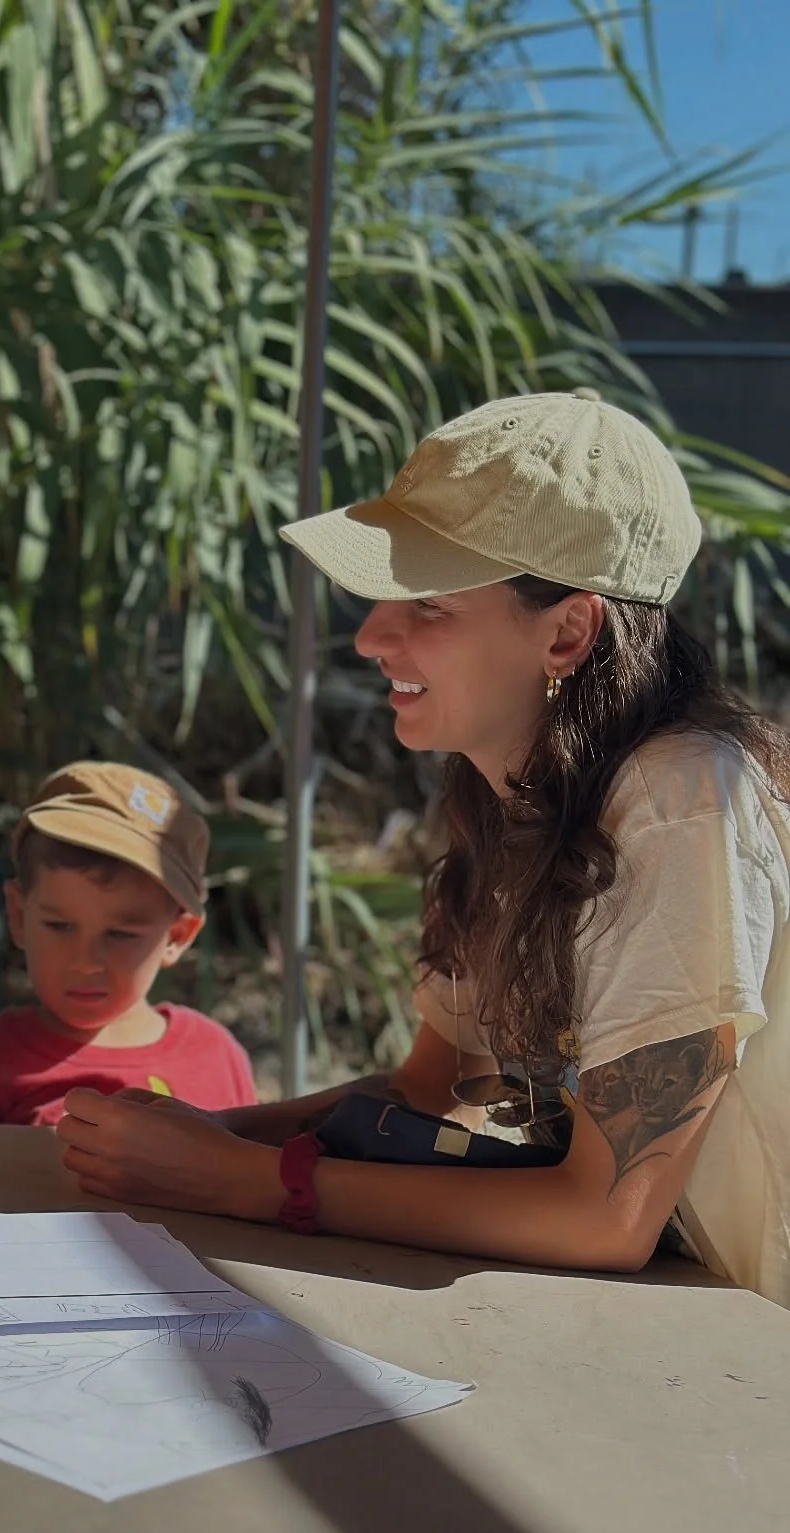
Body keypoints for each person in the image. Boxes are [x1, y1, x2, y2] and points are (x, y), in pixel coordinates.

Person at [58, 390, 790, 1306]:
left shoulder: (682, 795)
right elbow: (430, 1091)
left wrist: (250, 1182)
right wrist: (201, 1136)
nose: (371, 637)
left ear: (567, 632)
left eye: (431, 607)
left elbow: (607, 1217)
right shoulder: (509, 793)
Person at [0, 762, 255, 1126]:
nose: (85, 962)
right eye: (59, 926)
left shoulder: (216, 1058)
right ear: (18, 916)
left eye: (121, 934)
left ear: (176, 937)